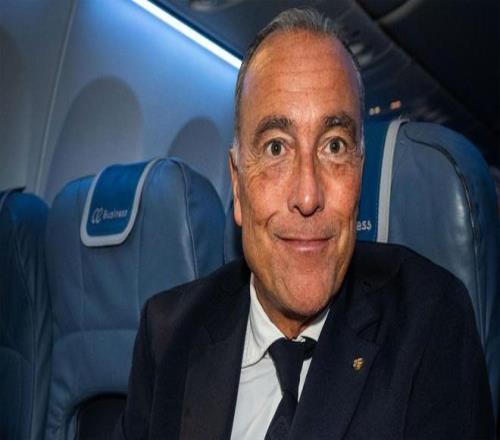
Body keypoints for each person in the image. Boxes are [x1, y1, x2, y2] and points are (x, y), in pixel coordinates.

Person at [115, 8, 495, 439]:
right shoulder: (168, 335)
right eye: (276, 148)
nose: (309, 196)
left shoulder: (430, 323)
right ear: (237, 185)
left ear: (359, 174)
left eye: (334, 146)